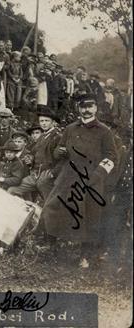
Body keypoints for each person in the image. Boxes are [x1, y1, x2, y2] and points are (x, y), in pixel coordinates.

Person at [42, 93, 118, 269]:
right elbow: (59, 151)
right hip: (68, 176)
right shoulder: (70, 128)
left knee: (89, 216)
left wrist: (98, 174)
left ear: (96, 108)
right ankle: (52, 247)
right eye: (83, 106)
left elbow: (112, 156)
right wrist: (58, 153)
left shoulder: (104, 131)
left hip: (91, 179)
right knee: (53, 208)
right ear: (79, 108)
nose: (86, 110)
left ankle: (85, 256)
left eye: (90, 106)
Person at [8, 107, 62, 201]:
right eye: (41, 121)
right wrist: (30, 159)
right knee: (12, 190)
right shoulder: (42, 136)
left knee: (49, 202)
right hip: (35, 175)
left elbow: (63, 159)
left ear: (53, 122)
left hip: (47, 177)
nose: (44, 123)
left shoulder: (57, 137)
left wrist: (53, 173)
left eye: (47, 121)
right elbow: (33, 153)